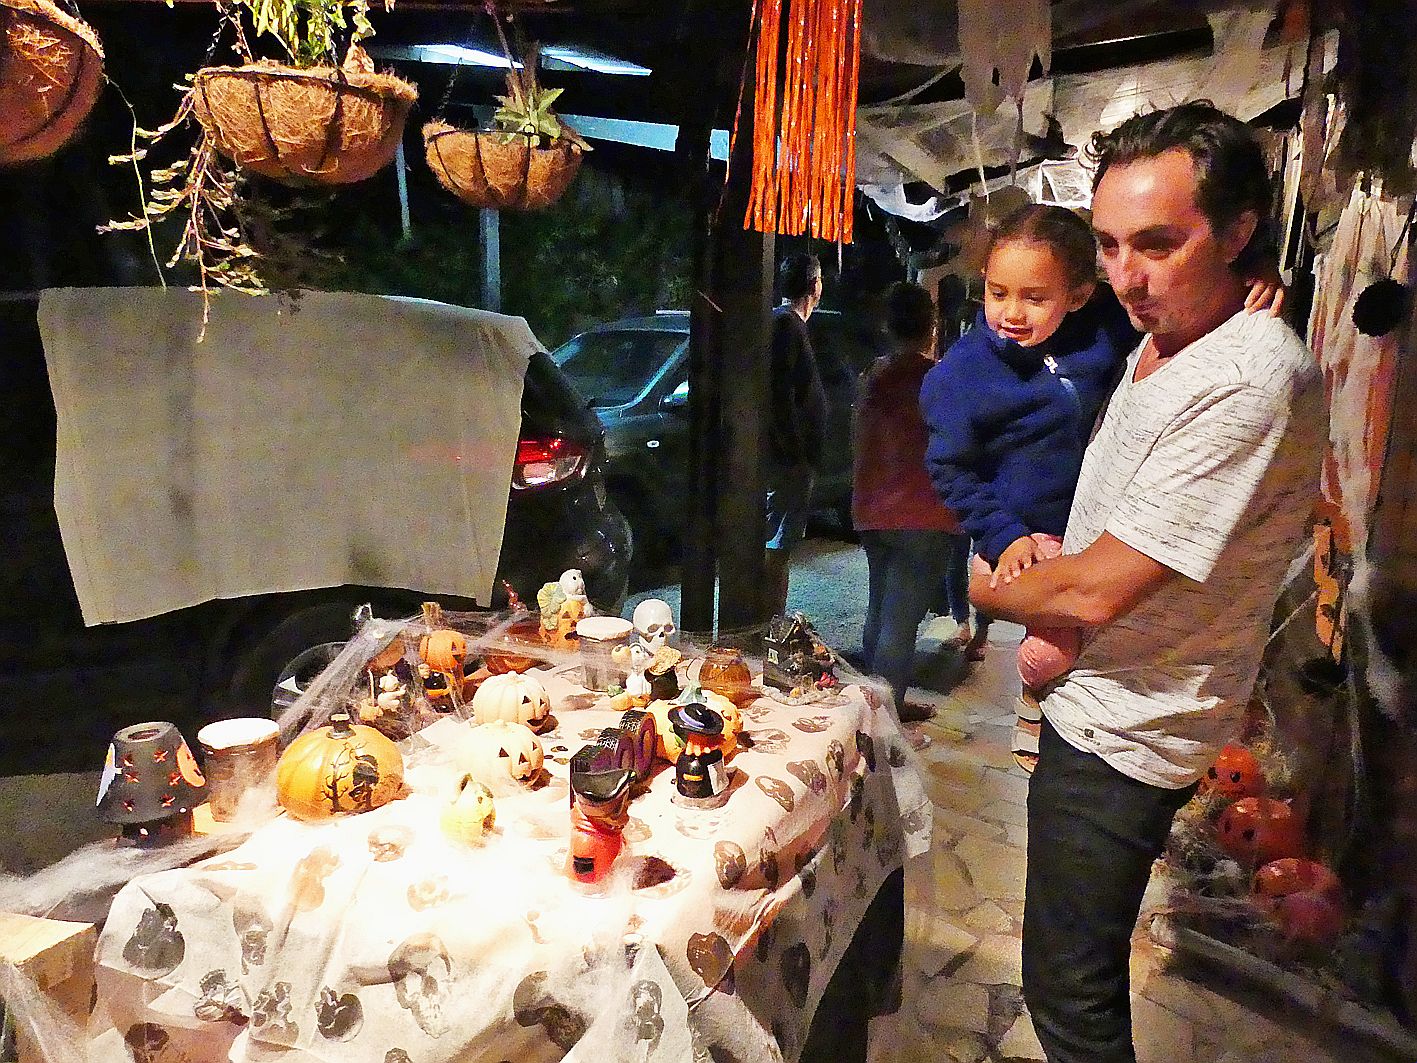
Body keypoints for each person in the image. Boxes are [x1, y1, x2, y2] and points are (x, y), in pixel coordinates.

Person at [968, 102, 1326, 1063]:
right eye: (1111, 244)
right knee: (1066, 974)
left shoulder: (1246, 371)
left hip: (1129, 729)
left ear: (1240, 231)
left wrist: (991, 588)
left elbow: (1092, 596)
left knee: (1067, 994)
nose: (1125, 276)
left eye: (1158, 244)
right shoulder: (1175, 331)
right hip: (1097, 695)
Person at [921, 204, 1282, 771]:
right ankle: (1035, 704)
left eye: (1034, 297)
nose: (1011, 313)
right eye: (996, 293)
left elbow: (1190, 300)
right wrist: (1002, 535)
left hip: (1103, 518)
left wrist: (1256, 275)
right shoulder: (962, 375)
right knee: (1048, 650)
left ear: (1081, 295)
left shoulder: (1107, 330)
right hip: (1027, 527)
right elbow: (951, 471)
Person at [853, 282, 964, 723]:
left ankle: (883, 706)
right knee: (900, 622)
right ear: (931, 327)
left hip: (873, 509)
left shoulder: (872, 377)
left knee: (880, 608)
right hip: (922, 511)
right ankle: (883, 726)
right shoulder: (937, 379)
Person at [763, 252, 828, 618]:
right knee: (777, 544)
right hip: (787, 462)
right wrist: (795, 454)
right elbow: (782, 396)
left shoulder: (786, 325)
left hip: (789, 459)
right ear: (815, 286)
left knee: (779, 542)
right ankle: (771, 619)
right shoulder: (787, 326)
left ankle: (772, 616)